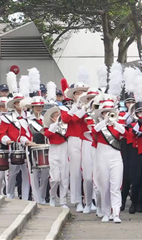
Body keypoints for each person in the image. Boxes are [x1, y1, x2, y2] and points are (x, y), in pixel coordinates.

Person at [92, 100, 126, 223]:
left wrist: (114, 122)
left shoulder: (119, 122)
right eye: (105, 112)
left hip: (115, 157)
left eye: (110, 112)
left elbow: (124, 133)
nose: (108, 114)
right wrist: (105, 121)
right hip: (102, 157)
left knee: (115, 186)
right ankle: (106, 212)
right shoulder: (99, 124)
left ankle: (116, 213)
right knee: (104, 186)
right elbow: (94, 131)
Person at [61, 81, 90, 213]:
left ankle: (90, 200)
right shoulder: (67, 108)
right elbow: (66, 120)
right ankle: (77, 200)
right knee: (75, 171)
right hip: (74, 139)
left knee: (89, 170)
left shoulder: (90, 106)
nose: (80, 95)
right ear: (73, 96)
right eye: (77, 93)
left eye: (82, 92)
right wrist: (75, 107)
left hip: (87, 139)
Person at [0, 94, 34, 201]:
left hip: (27, 146)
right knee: (12, 173)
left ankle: (25, 196)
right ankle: (9, 194)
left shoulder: (29, 116)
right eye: (18, 102)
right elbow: (1, 133)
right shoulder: (7, 117)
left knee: (26, 173)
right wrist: (7, 140)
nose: (20, 104)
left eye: (21, 102)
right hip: (14, 147)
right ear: (14, 104)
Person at [44, 104, 70, 208]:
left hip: (64, 149)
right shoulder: (49, 127)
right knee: (55, 178)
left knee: (64, 178)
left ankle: (63, 201)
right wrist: (56, 122)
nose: (58, 117)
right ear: (51, 118)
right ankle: (52, 197)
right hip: (54, 151)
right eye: (55, 115)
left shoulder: (66, 127)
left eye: (59, 115)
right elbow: (48, 134)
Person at [27, 96, 50, 204]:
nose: (38, 108)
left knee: (45, 174)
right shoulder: (28, 120)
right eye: (36, 106)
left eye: (40, 106)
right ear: (32, 107)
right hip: (32, 147)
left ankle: (42, 195)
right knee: (34, 174)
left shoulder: (45, 119)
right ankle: (36, 198)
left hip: (44, 147)